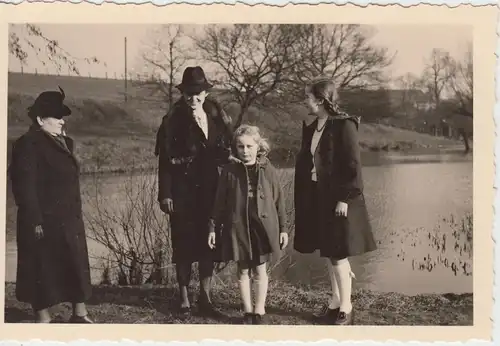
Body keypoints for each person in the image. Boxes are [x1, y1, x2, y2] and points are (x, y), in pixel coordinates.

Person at [293, 78, 377, 325]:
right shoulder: (314, 126)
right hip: (318, 197)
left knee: (338, 253)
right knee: (330, 252)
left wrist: (345, 198)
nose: (304, 101)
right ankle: (335, 302)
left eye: (308, 97)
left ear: (320, 100)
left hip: (340, 200)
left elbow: (353, 165)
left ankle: (346, 309)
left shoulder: (344, 125)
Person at [9, 87, 93, 324]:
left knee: (74, 263)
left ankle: (80, 314)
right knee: (41, 269)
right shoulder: (27, 145)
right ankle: (43, 318)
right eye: (56, 117)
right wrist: (34, 219)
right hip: (43, 219)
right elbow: (24, 186)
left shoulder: (65, 142)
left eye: (62, 116)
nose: (62, 122)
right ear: (39, 119)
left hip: (68, 216)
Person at [155, 66, 233, 317]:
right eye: (189, 93)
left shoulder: (217, 119)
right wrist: (165, 194)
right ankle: (184, 299)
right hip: (182, 193)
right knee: (184, 245)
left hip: (210, 192)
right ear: (183, 94)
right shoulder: (172, 121)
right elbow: (165, 162)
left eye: (198, 93)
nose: (193, 98)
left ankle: (206, 299)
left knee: (209, 245)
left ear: (205, 93)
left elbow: (224, 152)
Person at [208, 124, 289, 325]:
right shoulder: (229, 171)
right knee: (243, 270)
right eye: (241, 146)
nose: (245, 151)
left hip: (262, 227)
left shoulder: (268, 169)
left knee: (260, 269)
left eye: (250, 146)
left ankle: (259, 310)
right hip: (239, 228)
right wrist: (212, 228)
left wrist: (283, 228)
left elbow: (279, 201)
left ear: (258, 146)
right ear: (235, 147)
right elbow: (219, 203)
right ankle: (247, 310)